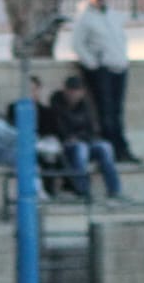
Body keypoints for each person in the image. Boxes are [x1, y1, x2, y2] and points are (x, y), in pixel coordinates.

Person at [71, 0, 135, 163]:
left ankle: (122, 149)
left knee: (116, 111)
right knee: (105, 112)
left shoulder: (112, 15)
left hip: (119, 67)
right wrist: (93, 64)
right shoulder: (84, 17)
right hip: (102, 69)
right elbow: (77, 44)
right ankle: (111, 151)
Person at [51, 73, 127, 202]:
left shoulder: (86, 105)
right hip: (67, 145)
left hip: (85, 141)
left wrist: (82, 137)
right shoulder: (57, 104)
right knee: (81, 149)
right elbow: (60, 128)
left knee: (105, 147)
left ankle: (114, 190)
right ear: (65, 90)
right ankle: (83, 191)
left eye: (77, 91)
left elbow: (91, 129)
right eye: (71, 90)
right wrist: (74, 138)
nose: (74, 94)